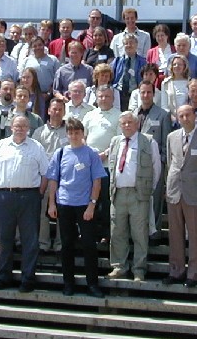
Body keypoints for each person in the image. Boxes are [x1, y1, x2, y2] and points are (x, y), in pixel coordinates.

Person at [0, 116, 49, 293]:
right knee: (5, 239)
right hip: (4, 197)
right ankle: (3, 277)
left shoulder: (37, 147)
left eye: (24, 126)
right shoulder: (0, 146)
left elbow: (45, 174)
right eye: (17, 125)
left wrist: (39, 194)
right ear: (11, 127)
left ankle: (28, 279)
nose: (20, 128)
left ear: (28, 128)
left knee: (30, 241)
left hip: (29, 197)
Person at [46, 118, 108, 298]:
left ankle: (92, 284)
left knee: (89, 245)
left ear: (83, 134)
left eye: (77, 132)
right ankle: (68, 283)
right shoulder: (60, 153)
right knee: (66, 245)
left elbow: (97, 181)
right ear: (67, 134)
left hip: (85, 205)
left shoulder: (91, 154)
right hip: (64, 204)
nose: (74, 136)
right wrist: (52, 203)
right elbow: (53, 180)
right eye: (71, 133)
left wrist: (92, 205)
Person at [162, 105, 197, 288]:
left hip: (195, 193)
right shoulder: (172, 137)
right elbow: (171, 164)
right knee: (175, 235)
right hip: (175, 192)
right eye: (181, 115)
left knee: (194, 235)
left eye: (188, 114)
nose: (185, 118)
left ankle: (194, 273)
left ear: (195, 116)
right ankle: (176, 270)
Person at [107, 111, 161, 282]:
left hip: (139, 194)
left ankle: (139, 269)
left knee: (139, 234)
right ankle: (119, 266)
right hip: (118, 193)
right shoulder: (115, 141)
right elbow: (112, 166)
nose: (127, 125)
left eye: (130, 122)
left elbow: (156, 167)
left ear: (137, 124)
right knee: (117, 232)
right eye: (124, 123)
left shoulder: (148, 141)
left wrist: (148, 190)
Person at [81, 85, 122, 242]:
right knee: (89, 201)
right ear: (96, 98)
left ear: (113, 98)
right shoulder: (90, 115)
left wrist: (104, 154)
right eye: (101, 96)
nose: (103, 99)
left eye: (107, 96)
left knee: (106, 202)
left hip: (107, 166)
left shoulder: (119, 116)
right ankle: (88, 232)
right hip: (90, 166)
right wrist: (91, 154)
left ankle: (106, 234)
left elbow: (118, 141)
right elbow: (83, 136)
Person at [134, 80, 172, 236]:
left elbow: (166, 144)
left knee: (154, 201)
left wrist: (162, 163)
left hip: (154, 164)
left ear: (154, 94)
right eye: (143, 92)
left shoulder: (163, 115)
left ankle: (154, 233)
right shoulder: (133, 114)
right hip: (135, 164)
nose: (145, 95)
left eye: (149, 92)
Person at [31, 98, 68, 253]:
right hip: (44, 178)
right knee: (42, 213)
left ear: (64, 112)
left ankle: (61, 244)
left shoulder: (69, 131)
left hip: (65, 179)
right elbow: (33, 155)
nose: (57, 112)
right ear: (48, 111)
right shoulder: (39, 132)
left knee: (63, 213)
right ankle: (43, 243)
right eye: (54, 109)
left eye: (60, 109)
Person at [20, 36, 60, 111]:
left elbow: (57, 79)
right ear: (31, 48)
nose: (38, 47)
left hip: (48, 96)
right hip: (31, 96)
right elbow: (21, 78)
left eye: (40, 45)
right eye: (35, 46)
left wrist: (49, 93)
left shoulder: (53, 60)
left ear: (44, 45)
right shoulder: (26, 61)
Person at [112, 34, 147, 109]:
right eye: (126, 43)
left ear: (136, 44)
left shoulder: (143, 62)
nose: (129, 45)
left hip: (134, 93)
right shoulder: (117, 61)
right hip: (119, 94)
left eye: (131, 42)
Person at [160, 54, 191, 123]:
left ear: (184, 66)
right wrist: (171, 117)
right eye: (174, 64)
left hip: (187, 119)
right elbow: (164, 105)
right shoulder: (166, 83)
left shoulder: (190, 82)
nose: (177, 66)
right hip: (171, 120)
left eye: (180, 64)